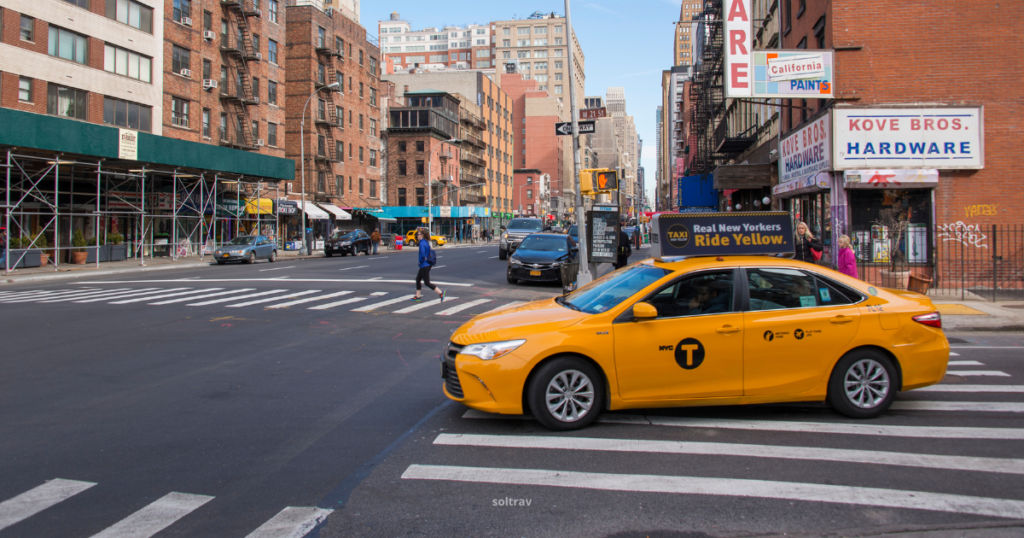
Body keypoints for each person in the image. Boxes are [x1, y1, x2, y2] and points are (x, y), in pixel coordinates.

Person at [413, 228, 444, 302]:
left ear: (422, 235)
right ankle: (417, 296)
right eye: (417, 234)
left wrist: (420, 261)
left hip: (424, 265)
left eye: (418, 234)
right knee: (418, 279)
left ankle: (440, 293)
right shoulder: (426, 242)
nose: (417, 235)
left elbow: (423, 254)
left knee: (427, 282)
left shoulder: (422, 243)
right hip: (426, 265)